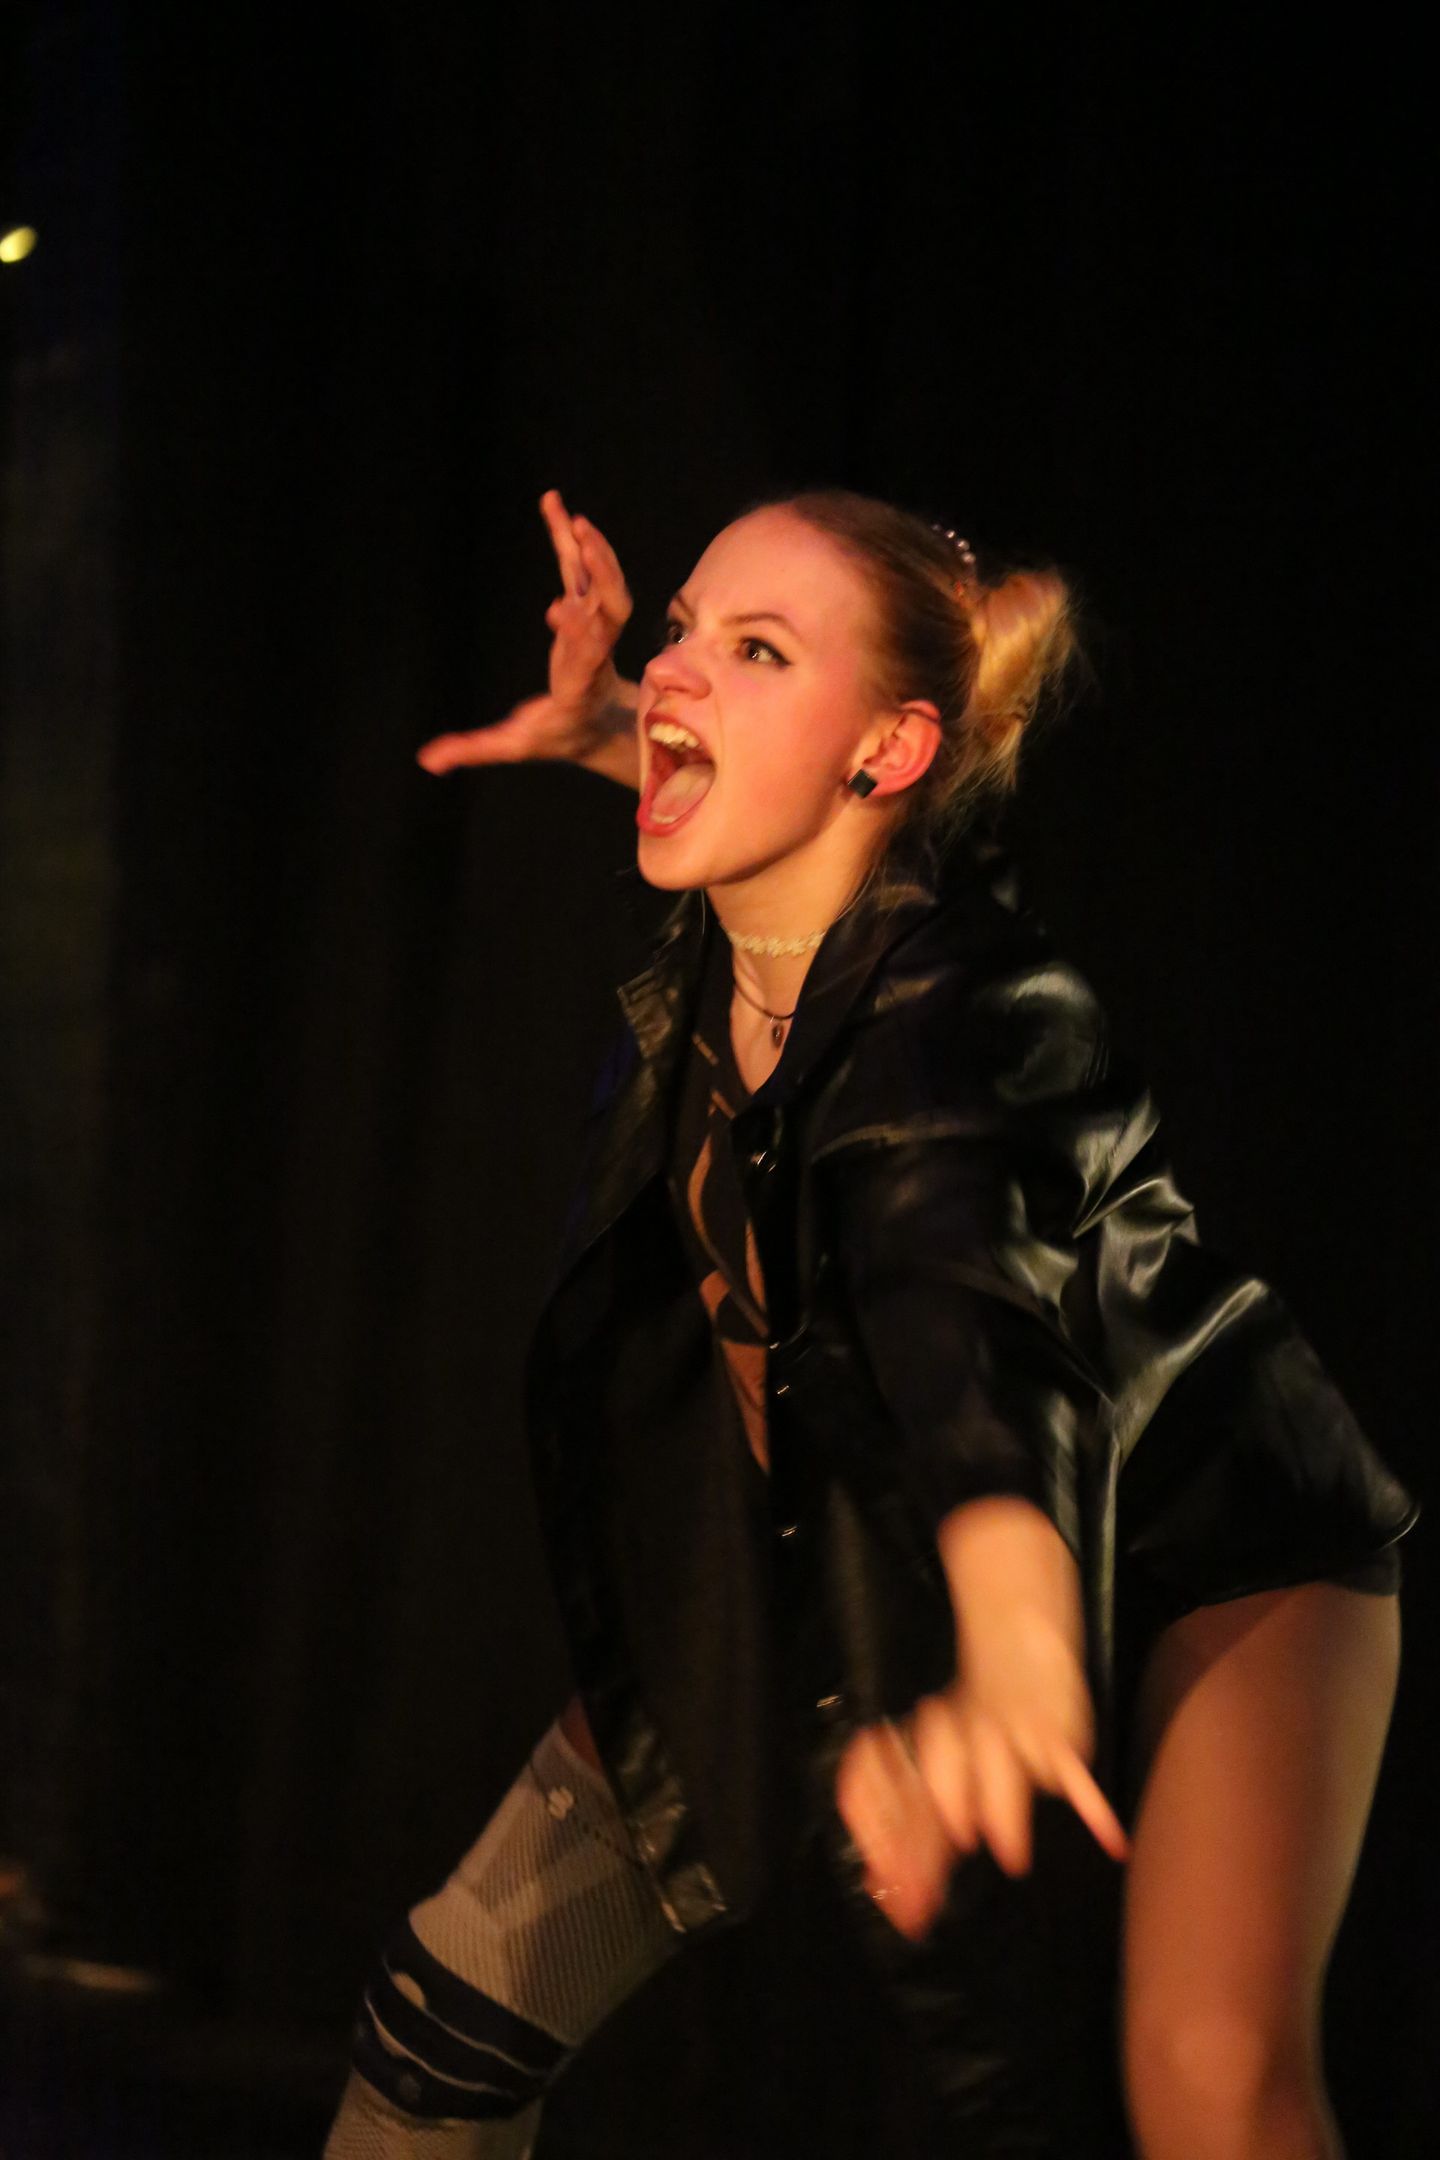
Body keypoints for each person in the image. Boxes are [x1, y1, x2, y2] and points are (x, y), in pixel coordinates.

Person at [323, 486, 1419, 2160]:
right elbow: (768, 790)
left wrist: (1018, 1643)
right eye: (681, 628)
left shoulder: (969, 1021)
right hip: (839, 1552)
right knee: (446, 2016)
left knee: (1209, 2083)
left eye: (758, 649)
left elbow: (962, 1303)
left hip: (1214, 1551)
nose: (680, 668)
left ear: (890, 753)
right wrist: (612, 727)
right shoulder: (749, 922)